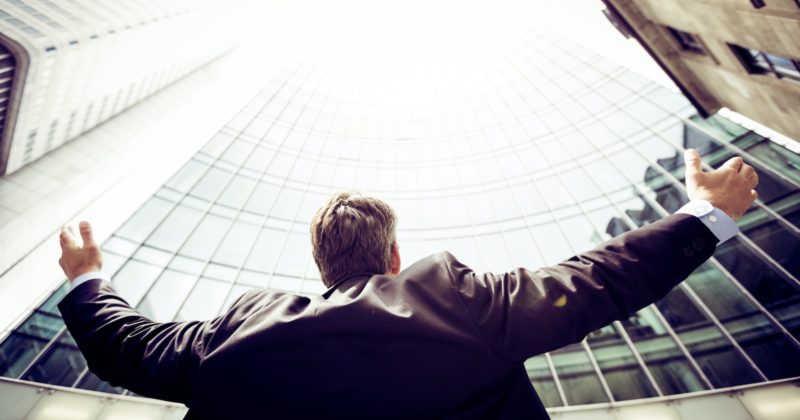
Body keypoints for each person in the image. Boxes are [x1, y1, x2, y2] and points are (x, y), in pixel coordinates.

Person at [57, 149, 758, 419]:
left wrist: (89, 279)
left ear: (322, 268)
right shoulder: (451, 298)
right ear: (394, 257)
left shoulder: (237, 334)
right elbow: (598, 279)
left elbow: (126, 348)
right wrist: (706, 214)